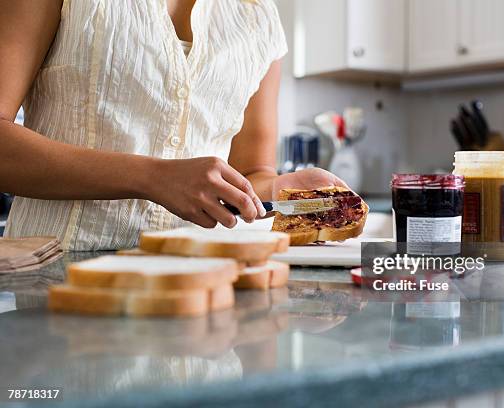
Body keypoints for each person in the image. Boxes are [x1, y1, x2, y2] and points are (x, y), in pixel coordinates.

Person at [0, 0, 347, 250]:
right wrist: (152, 176)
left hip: (203, 285)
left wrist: (282, 191)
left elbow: (252, 173)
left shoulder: (259, 15)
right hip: (56, 279)